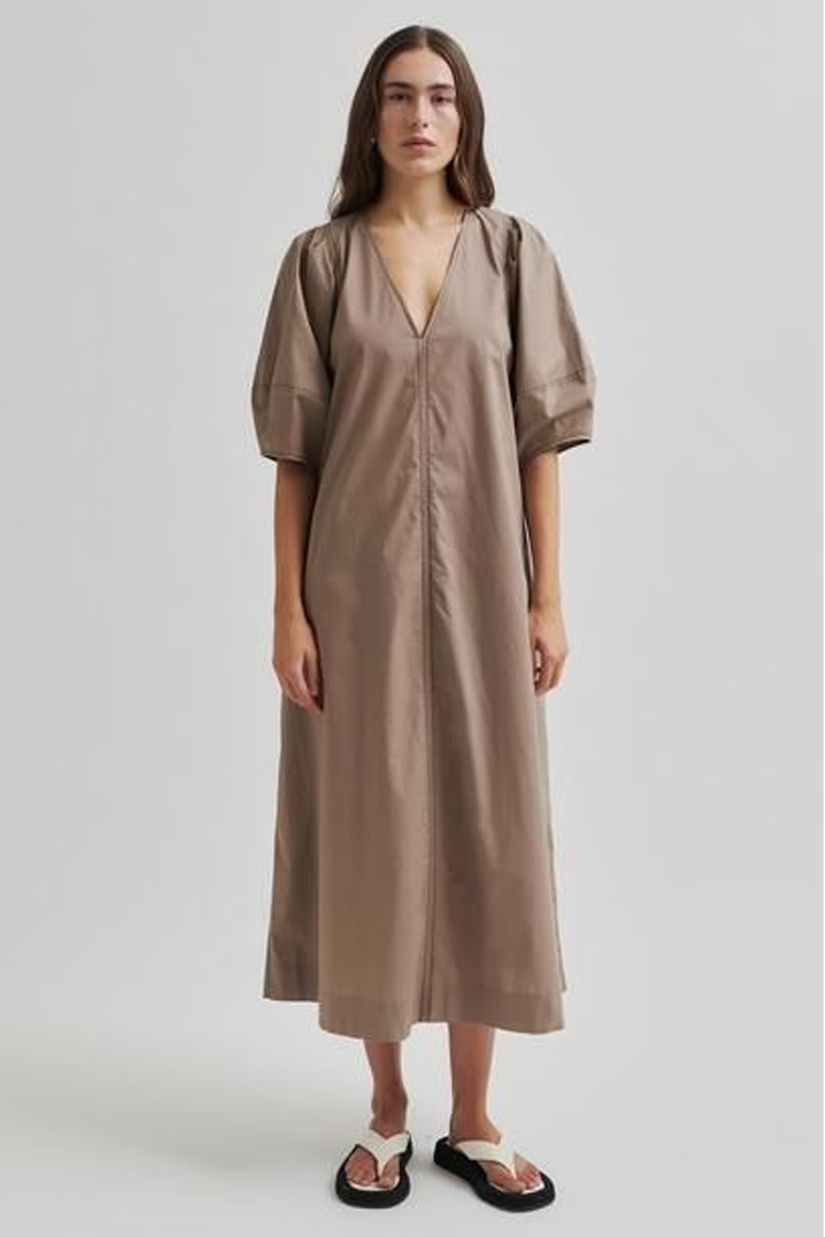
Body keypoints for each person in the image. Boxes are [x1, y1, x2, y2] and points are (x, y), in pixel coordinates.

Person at [249, 24, 596, 1213]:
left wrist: (548, 593)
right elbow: (295, 454)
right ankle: (388, 1112)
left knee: (490, 827)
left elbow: (541, 440)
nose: (420, 117)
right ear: (372, 117)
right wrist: (288, 608)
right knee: (371, 832)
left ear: (466, 117)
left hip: (488, 596)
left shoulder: (513, 254)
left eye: (441, 97)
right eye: (399, 96)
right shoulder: (321, 262)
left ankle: (476, 1118)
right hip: (355, 596)